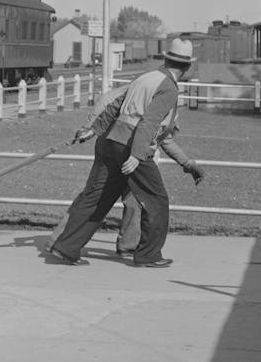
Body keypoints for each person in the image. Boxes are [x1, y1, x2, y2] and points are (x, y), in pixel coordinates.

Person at [48, 38, 201, 268]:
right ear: (187, 67)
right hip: (132, 146)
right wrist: (136, 156)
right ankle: (148, 255)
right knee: (156, 201)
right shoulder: (169, 87)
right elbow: (148, 123)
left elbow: (115, 104)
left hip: (111, 141)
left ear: (166, 59)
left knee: (97, 198)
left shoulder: (147, 77)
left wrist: (94, 129)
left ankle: (66, 248)